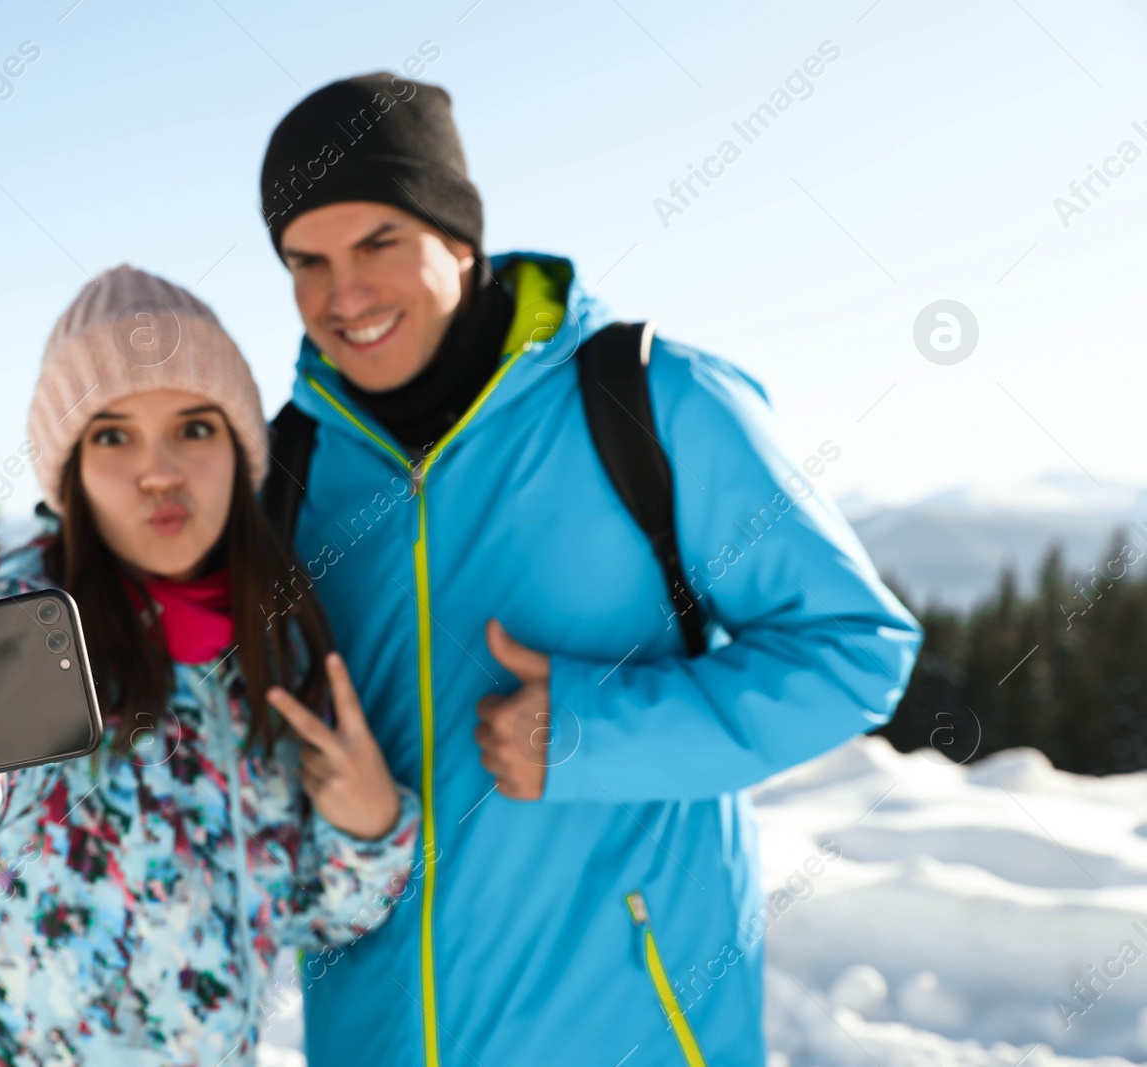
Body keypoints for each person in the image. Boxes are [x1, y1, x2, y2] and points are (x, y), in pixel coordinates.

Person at [255, 74, 924, 1066]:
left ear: (457, 234)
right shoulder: (289, 468)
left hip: (626, 1028)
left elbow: (855, 650)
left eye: (376, 244)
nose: (339, 296)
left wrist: (590, 731)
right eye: (305, 262)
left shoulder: (648, 401)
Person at [0, 266, 421, 1065]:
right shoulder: (30, 623)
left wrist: (371, 829)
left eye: (195, 427)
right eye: (112, 434)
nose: (159, 470)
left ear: (241, 450)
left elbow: (319, 917)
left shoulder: (282, 645)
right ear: (67, 470)